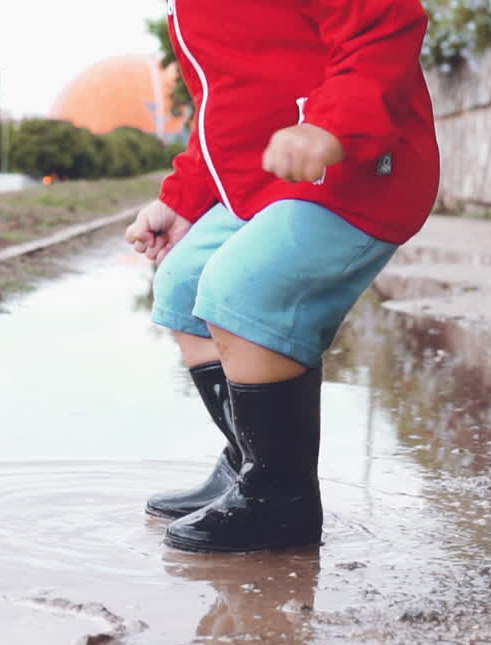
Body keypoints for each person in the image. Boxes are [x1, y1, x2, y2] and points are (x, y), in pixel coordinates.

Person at [126, 0, 440, 554]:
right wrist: (182, 202)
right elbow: (220, 109)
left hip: (355, 165)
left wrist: (329, 123)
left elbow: (384, 23)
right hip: (267, 182)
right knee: (180, 284)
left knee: (243, 286)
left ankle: (282, 499)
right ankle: (250, 463)